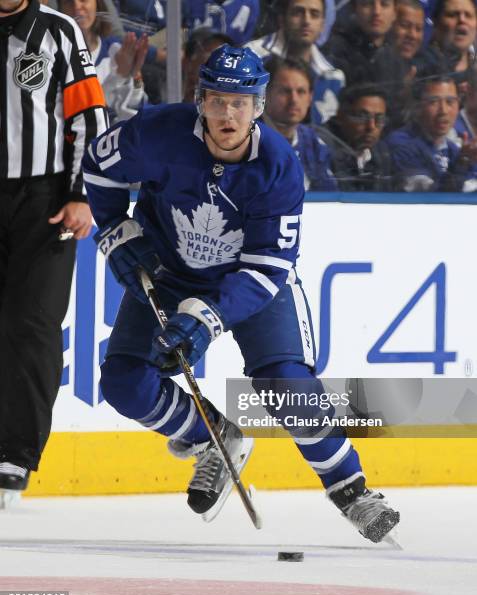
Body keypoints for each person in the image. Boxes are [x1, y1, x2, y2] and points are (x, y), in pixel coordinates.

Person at [82, 44, 400, 542]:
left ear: (259, 105)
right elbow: (98, 166)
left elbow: (268, 266)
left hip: (250, 284)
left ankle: (351, 489)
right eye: (216, 101)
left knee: (286, 386)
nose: (227, 114)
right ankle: (212, 438)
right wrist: (116, 228)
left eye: (240, 102)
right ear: (199, 100)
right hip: (168, 274)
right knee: (124, 383)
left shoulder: (278, 166)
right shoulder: (158, 131)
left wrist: (207, 319)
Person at [0, 0, 107, 503]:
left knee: (32, 323)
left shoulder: (59, 31)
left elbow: (90, 117)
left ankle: (17, 453)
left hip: (43, 202)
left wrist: (82, 193)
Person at [246, 0, 345, 124]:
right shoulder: (250, 56)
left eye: (314, 14)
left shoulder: (333, 77)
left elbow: (325, 130)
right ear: (281, 19)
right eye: (298, 12)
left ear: (322, 25)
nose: (306, 21)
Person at [59, 0, 148, 122]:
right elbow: (86, 115)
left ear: (98, 4)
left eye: (83, 0)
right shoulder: (55, 55)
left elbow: (136, 109)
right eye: (68, 2)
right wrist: (118, 76)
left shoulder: (116, 50)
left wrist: (135, 75)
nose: (77, 7)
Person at [386, 74, 477, 190]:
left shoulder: (453, 149)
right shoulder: (401, 144)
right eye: (433, 102)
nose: (443, 111)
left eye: (450, 102)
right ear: (417, 106)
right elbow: (433, 200)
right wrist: (462, 163)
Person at [263, 56, 337, 190]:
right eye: (285, 91)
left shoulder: (313, 141)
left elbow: (329, 196)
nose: (294, 100)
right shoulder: (245, 140)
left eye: (301, 92)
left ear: (310, 98)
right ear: (264, 94)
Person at [316, 83, 395, 190]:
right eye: (362, 116)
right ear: (341, 116)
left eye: (379, 119)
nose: (371, 127)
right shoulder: (320, 146)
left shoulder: (381, 152)